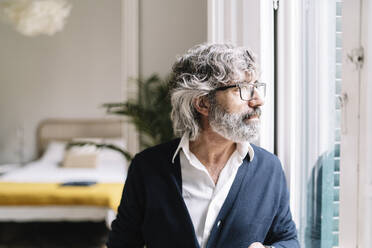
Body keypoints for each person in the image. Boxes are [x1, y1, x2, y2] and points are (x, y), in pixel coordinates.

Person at [107, 43, 300, 248]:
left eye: (256, 87)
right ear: (203, 104)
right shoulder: (147, 168)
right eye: (242, 89)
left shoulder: (269, 169)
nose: (258, 100)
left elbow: (288, 240)